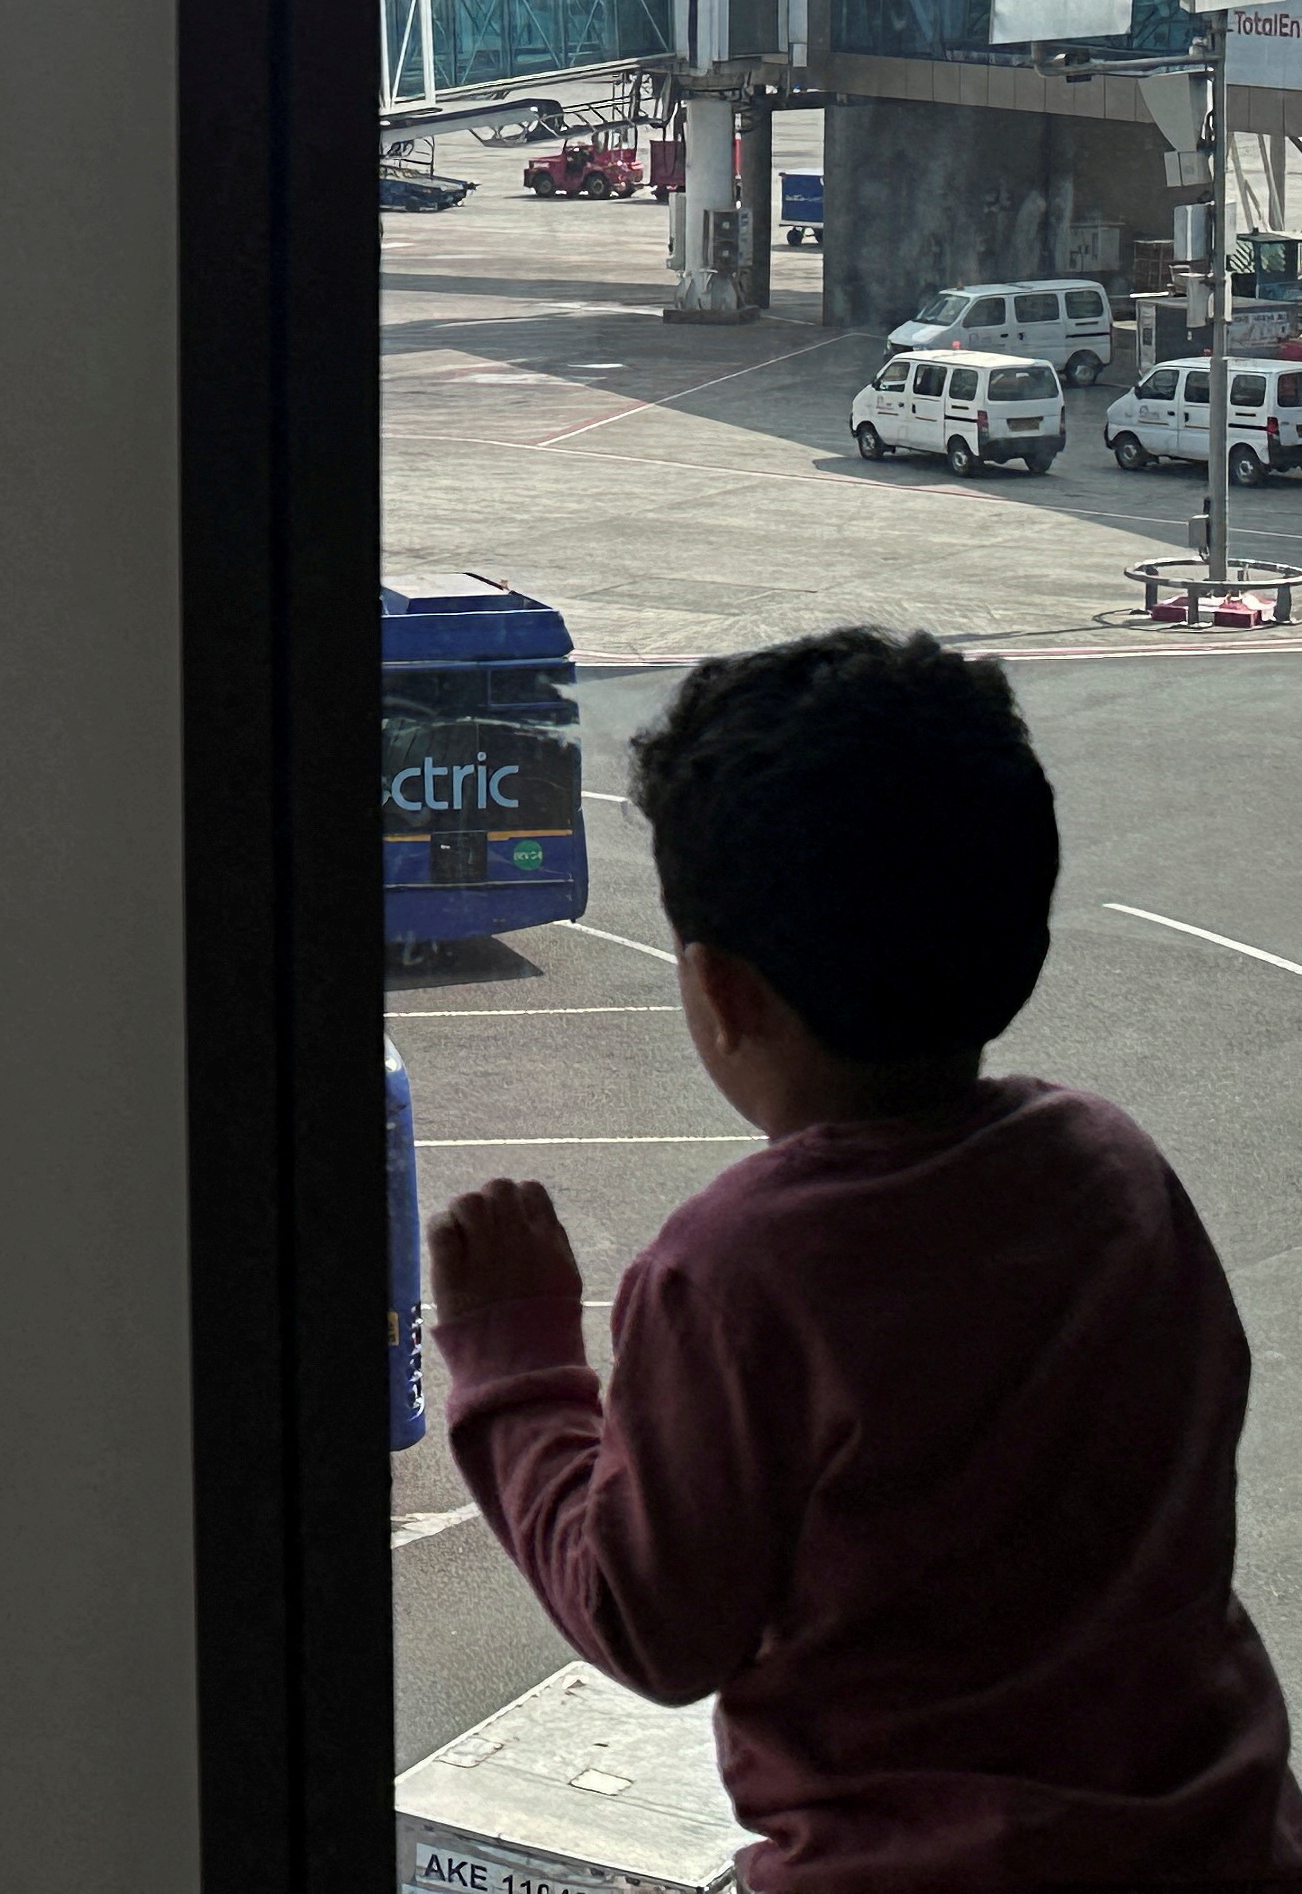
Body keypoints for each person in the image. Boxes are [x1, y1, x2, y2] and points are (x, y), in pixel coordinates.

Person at [430, 625, 1302, 1891]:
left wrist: (515, 1362)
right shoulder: (1113, 1168)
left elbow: (651, 1625)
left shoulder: (736, 1269)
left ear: (722, 993)